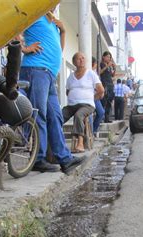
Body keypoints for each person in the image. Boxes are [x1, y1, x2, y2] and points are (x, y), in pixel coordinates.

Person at [19, 9, 84, 173]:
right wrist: (24, 48)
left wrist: (62, 31)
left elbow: (58, 50)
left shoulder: (52, 22)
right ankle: (38, 159)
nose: (54, 6)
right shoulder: (34, 14)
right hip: (35, 69)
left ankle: (65, 159)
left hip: (48, 74)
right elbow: (14, 31)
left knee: (55, 116)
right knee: (39, 114)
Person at [62, 52, 104, 152]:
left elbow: (101, 90)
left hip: (87, 105)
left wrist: (91, 98)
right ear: (74, 62)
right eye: (79, 58)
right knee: (58, 116)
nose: (82, 60)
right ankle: (57, 143)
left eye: (83, 58)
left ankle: (80, 143)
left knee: (79, 115)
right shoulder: (71, 77)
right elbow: (68, 92)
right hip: (72, 105)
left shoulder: (91, 74)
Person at [99, 51, 116, 123]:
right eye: (108, 57)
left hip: (110, 84)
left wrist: (114, 68)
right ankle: (101, 118)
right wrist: (107, 66)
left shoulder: (108, 66)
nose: (109, 58)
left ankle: (107, 118)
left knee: (109, 102)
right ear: (103, 57)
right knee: (104, 102)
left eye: (110, 57)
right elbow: (99, 72)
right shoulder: (101, 64)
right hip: (105, 84)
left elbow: (112, 75)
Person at [91, 57, 105, 136]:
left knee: (101, 112)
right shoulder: (91, 73)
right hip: (91, 96)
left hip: (95, 96)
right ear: (93, 64)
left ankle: (93, 130)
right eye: (96, 64)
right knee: (100, 112)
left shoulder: (94, 73)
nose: (97, 66)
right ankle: (92, 131)